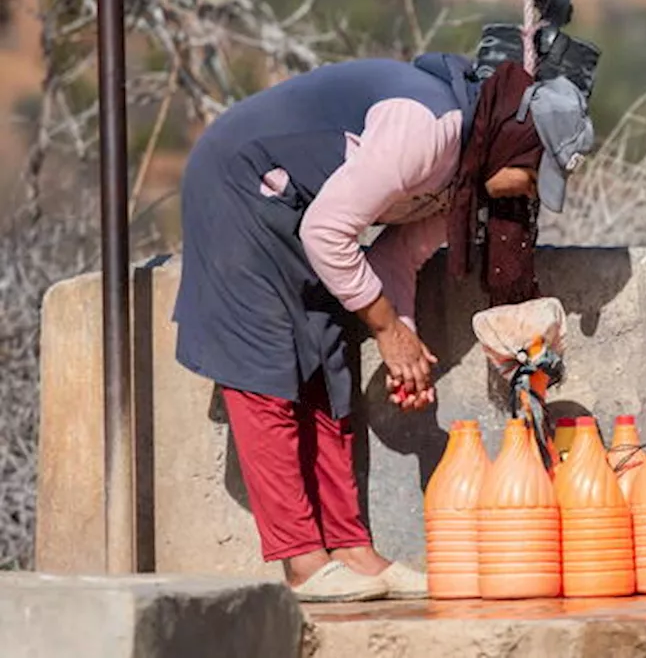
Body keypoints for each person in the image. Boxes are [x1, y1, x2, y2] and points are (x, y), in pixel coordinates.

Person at [172, 51, 594, 601]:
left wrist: (406, 339)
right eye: (535, 175)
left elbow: (397, 259)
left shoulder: (463, 179)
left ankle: (351, 550)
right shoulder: (427, 131)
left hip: (300, 212)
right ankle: (303, 564)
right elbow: (328, 232)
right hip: (241, 183)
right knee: (266, 373)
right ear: (515, 144)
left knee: (327, 363)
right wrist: (387, 331)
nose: (532, 192)